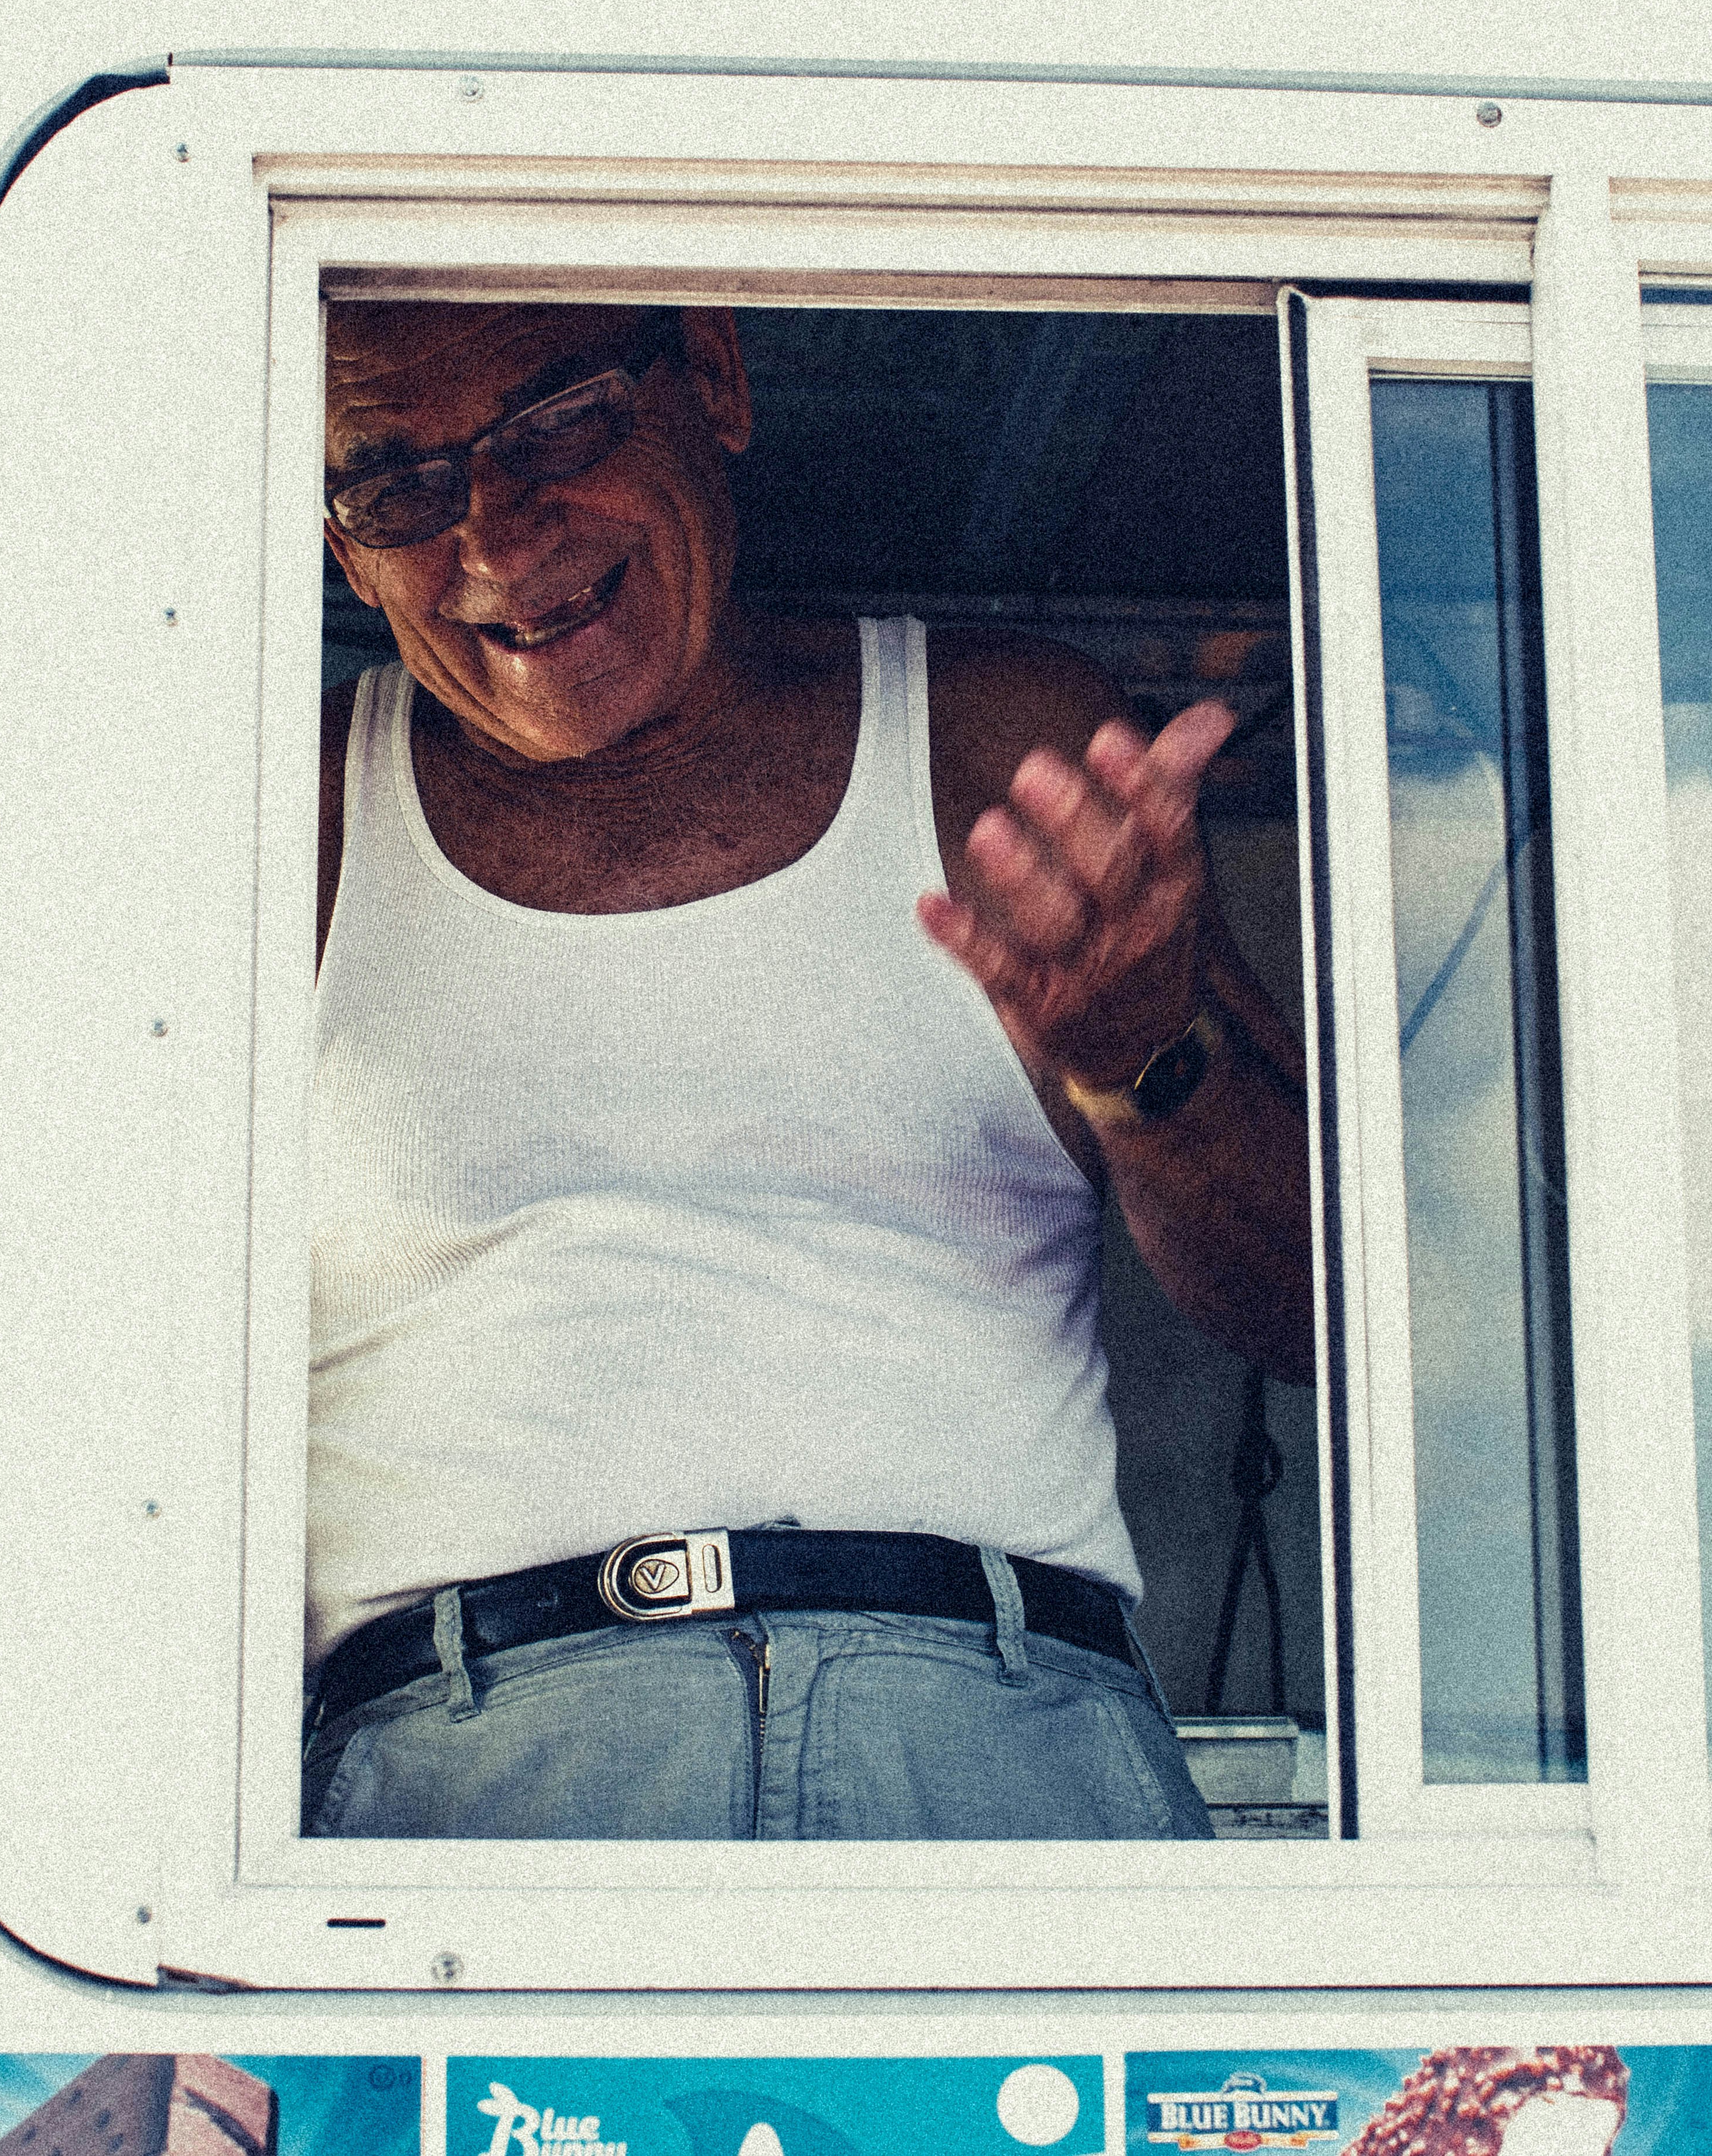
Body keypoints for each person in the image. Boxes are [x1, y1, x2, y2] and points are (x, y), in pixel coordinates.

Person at [305, 300, 1311, 1839]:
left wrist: (1141, 1061)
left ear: (709, 378)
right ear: (341, 546)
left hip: (992, 1727)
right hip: (467, 1762)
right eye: (399, 488)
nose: (494, 540)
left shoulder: (998, 744)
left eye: (555, 421)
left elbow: (1322, 1315)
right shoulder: (280, 814)